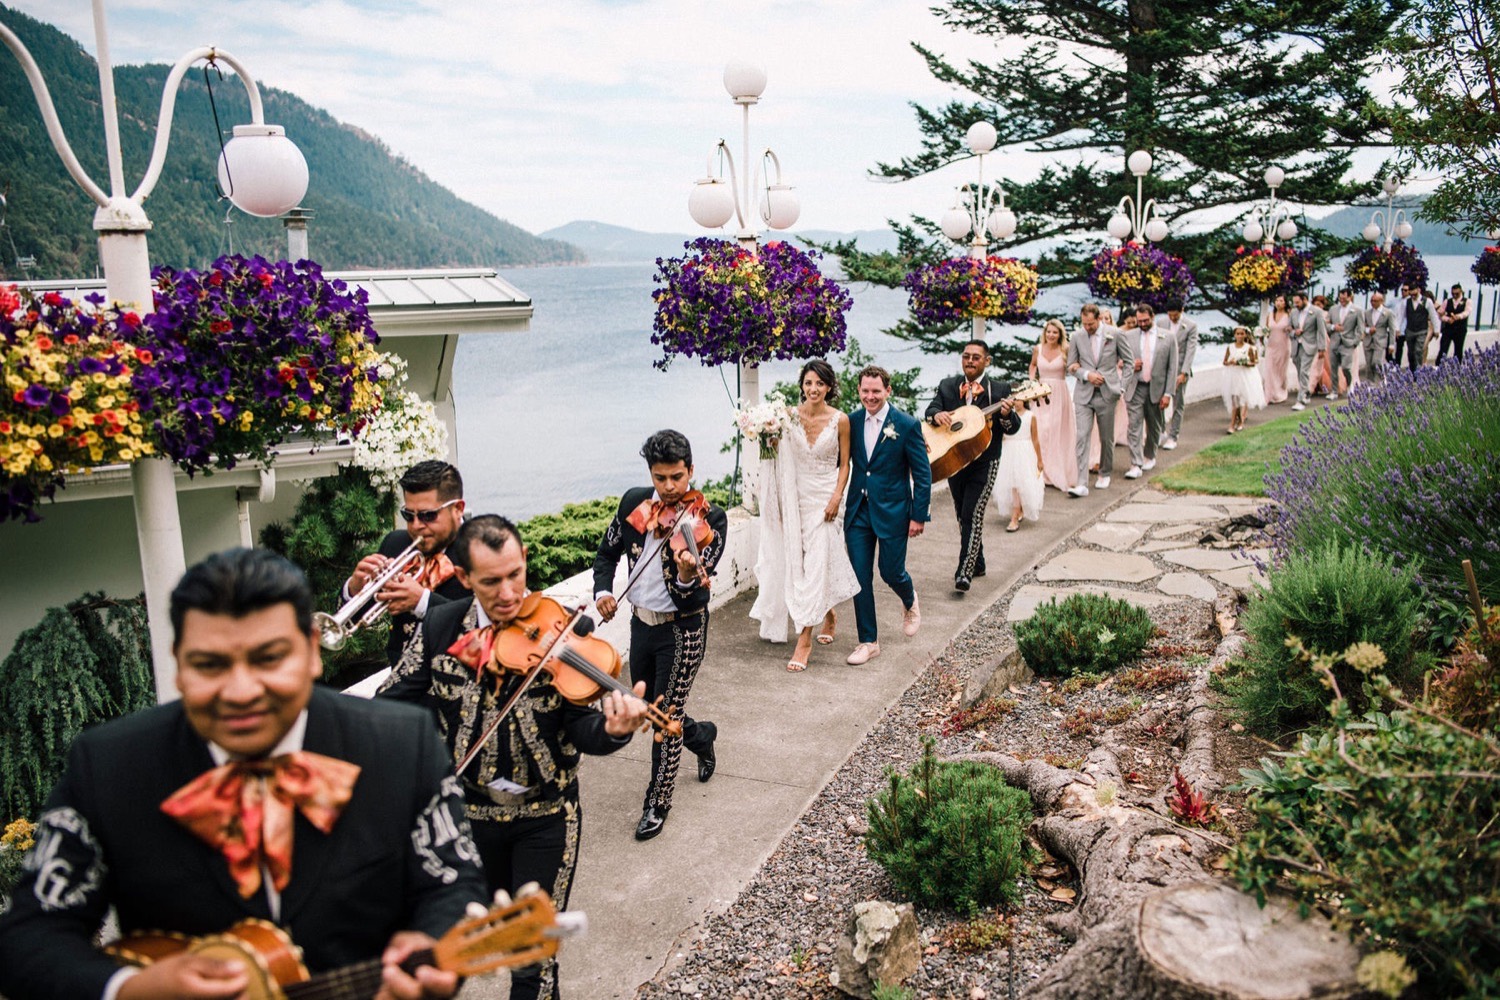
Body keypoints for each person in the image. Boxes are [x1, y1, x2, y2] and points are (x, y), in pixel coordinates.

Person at [0, 548, 485, 1000]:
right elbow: (28, 939)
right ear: (178, 664)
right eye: (209, 665)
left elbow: (453, 883)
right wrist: (130, 987)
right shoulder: (107, 765)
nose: (240, 691)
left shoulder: (403, 744)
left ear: (315, 649)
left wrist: (433, 943)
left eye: (268, 658)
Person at [381, 515, 649, 1000]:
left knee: (533, 960)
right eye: (491, 582)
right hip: (466, 821)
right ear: (464, 578)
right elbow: (391, 706)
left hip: (544, 819)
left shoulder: (559, 628)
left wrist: (613, 730)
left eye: (516, 575)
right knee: (448, 957)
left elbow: (581, 727)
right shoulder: (441, 626)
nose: (508, 593)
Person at [591, 430, 728, 841]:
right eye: (660, 478)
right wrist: (602, 591)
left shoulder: (709, 520)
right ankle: (702, 737)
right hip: (639, 624)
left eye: (677, 477)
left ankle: (658, 801)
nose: (669, 488)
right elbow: (607, 553)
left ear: (691, 470)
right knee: (651, 706)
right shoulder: (634, 503)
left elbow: (697, 587)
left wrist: (688, 573)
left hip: (683, 630)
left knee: (665, 717)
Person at [749, 359, 861, 672]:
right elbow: (773, 452)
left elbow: (845, 465)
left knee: (818, 555)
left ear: (829, 388)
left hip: (826, 495)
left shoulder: (841, 420)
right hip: (795, 494)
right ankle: (827, 613)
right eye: (809, 383)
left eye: (820, 384)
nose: (813, 389)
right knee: (798, 560)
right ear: (802, 385)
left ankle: (804, 638)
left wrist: (837, 497)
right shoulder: (786, 417)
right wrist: (766, 438)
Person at [342, 460, 471, 665]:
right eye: (408, 516)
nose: (417, 526)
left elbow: (488, 627)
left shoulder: (484, 551)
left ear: (458, 508)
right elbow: (355, 620)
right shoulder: (395, 543)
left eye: (428, 515)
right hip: (400, 676)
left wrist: (423, 601)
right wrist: (354, 589)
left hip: (459, 679)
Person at [845, 365, 931, 664]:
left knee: (890, 571)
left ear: (887, 391)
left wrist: (918, 515)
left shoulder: (906, 425)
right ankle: (868, 641)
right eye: (865, 391)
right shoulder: (851, 422)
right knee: (859, 576)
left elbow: (923, 474)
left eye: (876, 391)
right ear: (859, 390)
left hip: (894, 510)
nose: (870, 397)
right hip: (858, 510)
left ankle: (909, 598)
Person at [925, 342, 1020, 592]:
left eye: (976, 357)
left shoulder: (999, 389)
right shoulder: (948, 385)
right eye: (966, 356)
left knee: (973, 513)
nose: (970, 360)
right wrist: (936, 415)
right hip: (954, 459)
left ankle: (964, 572)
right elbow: (931, 409)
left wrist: (1007, 415)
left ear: (986, 361)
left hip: (986, 461)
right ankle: (977, 562)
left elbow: (1013, 427)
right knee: (961, 513)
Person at [1067, 303, 1133, 498]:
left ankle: (1105, 472)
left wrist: (1121, 386)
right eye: (1084, 324)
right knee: (1082, 436)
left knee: (1106, 437)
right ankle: (1081, 483)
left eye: (1091, 324)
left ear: (1098, 319)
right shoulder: (1077, 337)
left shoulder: (1115, 334)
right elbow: (1070, 365)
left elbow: (1129, 362)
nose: (1087, 328)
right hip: (1084, 393)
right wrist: (1086, 374)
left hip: (1108, 392)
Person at [1122, 303, 1177, 479]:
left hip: (1157, 388)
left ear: (1152, 317)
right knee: (1134, 426)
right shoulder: (1128, 336)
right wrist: (1129, 364)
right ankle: (1135, 463)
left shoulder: (1168, 337)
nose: (1142, 324)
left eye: (1145, 320)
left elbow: (1172, 368)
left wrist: (1168, 393)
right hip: (1135, 387)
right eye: (1139, 321)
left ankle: (1150, 455)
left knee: (1154, 426)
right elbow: (1118, 360)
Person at [1028, 319, 1078, 492]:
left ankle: (1056, 471)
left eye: (1054, 332)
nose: (1051, 335)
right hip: (1041, 394)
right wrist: (1032, 382)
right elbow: (1033, 365)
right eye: (1048, 332)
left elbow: (1073, 367)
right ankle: (1041, 469)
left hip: (1059, 393)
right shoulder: (1038, 349)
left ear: (1060, 335)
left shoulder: (1066, 349)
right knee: (1040, 430)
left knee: (1056, 430)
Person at [995, 397, 1045, 531]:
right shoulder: (1006, 417)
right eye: (1014, 399)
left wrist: (1039, 459)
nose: (1016, 402)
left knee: (1021, 484)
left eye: (1019, 399)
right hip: (1009, 452)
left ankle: (1016, 514)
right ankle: (1016, 513)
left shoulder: (1030, 416)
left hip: (1025, 453)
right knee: (1013, 485)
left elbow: (1035, 440)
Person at [1156, 297, 1198, 450]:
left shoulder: (1191, 326)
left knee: (1177, 404)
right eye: (1170, 315)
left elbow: (1190, 351)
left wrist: (1184, 373)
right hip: (1162, 369)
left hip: (1180, 369)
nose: (1173, 318)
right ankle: (1161, 431)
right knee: (1158, 401)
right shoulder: (1161, 323)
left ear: (1182, 311)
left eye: (1176, 315)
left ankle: (1173, 436)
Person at [1221, 325, 1265, 433]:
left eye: (1242, 333)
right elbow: (1225, 361)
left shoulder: (1249, 347)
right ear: (1234, 335)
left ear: (1245, 335)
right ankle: (1234, 422)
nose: (1239, 336)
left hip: (1244, 376)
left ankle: (1238, 422)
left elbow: (1254, 362)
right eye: (1237, 334)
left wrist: (1243, 363)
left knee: (1242, 399)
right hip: (1233, 375)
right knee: (1234, 400)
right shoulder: (1230, 347)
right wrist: (1230, 363)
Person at [1290, 291, 1327, 411]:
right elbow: (1288, 328)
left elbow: (1321, 331)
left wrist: (1322, 348)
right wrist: (1294, 332)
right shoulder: (1294, 312)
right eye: (1294, 302)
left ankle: (1300, 400)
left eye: (1298, 302)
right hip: (1296, 345)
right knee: (1300, 371)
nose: (1296, 305)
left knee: (1304, 372)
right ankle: (1305, 394)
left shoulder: (1316, 311)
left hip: (1310, 345)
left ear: (1305, 299)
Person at [1327, 288, 1364, 399]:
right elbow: (1326, 324)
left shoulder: (1357, 310)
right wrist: (1334, 327)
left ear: (1350, 297)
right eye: (1340, 298)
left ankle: (1349, 385)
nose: (1342, 300)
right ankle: (1334, 390)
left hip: (1348, 343)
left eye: (1344, 298)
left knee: (1346, 367)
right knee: (1333, 368)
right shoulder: (1333, 309)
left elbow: (1360, 329)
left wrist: (1355, 342)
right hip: (1334, 342)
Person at [1396, 283, 1439, 372]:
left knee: (1419, 350)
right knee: (1411, 353)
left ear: (1419, 290)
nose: (1413, 297)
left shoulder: (1427, 301)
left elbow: (1433, 316)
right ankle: (1412, 370)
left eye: (1415, 294)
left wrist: (1436, 329)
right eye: (1411, 295)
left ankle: (1419, 372)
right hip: (1410, 330)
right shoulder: (1406, 302)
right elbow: (1400, 316)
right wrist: (1397, 329)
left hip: (1422, 330)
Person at [1261, 294, 1293, 404]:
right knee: (1269, 370)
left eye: (1281, 300)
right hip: (1271, 346)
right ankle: (1268, 395)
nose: (1278, 302)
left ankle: (1280, 393)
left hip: (1283, 346)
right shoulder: (1270, 315)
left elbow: (1294, 328)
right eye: (1277, 300)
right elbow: (1266, 329)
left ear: (1285, 303)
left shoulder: (1289, 315)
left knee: (1280, 371)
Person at [1363, 291, 1398, 382]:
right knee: (1369, 363)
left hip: (1380, 341)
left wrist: (1391, 344)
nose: (1372, 303)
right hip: (1368, 341)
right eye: (1371, 301)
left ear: (1381, 301)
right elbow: (1362, 326)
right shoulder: (1367, 312)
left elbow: (1392, 329)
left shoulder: (1388, 313)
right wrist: (1368, 330)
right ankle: (1370, 382)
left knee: (1376, 362)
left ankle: (1381, 379)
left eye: (1375, 301)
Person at [1437, 284, 1471, 362]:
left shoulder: (1467, 301)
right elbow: (1440, 314)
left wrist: (1457, 317)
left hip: (1460, 329)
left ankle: (1457, 367)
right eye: (1453, 294)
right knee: (1443, 349)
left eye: (1457, 294)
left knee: (1458, 349)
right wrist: (1447, 319)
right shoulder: (1447, 301)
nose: (1455, 295)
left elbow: (1467, 312)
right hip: (1448, 329)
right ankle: (1438, 366)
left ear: (1461, 292)